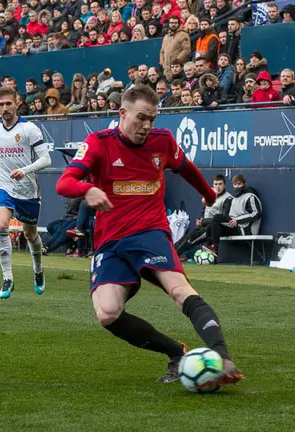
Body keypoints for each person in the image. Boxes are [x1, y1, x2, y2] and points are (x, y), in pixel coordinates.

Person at [54, 85, 242, 386]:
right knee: (107, 313)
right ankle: (176, 352)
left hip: (150, 231)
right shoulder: (99, 143)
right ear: (122, 113)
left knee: (179, 290)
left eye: (152, 119)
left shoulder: (162, 141)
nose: (147, 126)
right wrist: (87, 188)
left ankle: (221, 357)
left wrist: (208, 194)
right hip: (111, 240)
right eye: (141, 118)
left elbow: (187, 167)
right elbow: (64, 183)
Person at [0, 86, 52, 299]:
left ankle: (38, 270)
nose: (5, 108)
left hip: (27, 189)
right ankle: (7, 277)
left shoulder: (30, 129)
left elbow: (46, 159)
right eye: (1, 104)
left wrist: (24, 170)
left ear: (17, 103)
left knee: (30, 233)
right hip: (3, 185)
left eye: (8, 104)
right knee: (1, 225)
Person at [204, 174, 262, 257]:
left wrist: (237, 220)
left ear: (244, 184)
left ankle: (214, 248)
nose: (237, 186)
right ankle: (212, 249)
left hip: (245, 229)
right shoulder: (234, 199)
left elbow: (256, 213)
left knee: (217, 217)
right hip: (234, 227)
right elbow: (230, 217)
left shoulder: (251, 196)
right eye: (235, 184)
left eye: (239, 184)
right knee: (211, 225)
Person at [175, 174, 232, 258]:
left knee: (192, 238)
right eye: (216, 184)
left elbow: (223, 217)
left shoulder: (228, 198)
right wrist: (200, 219)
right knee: (187, 236)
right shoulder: (210, 195)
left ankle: (174, 256)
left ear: (224, 184)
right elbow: (204, 210)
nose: (218, 187)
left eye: (220, 184)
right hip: (204, 225)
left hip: (213, 228)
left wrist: (203, 221)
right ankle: (170, 252)